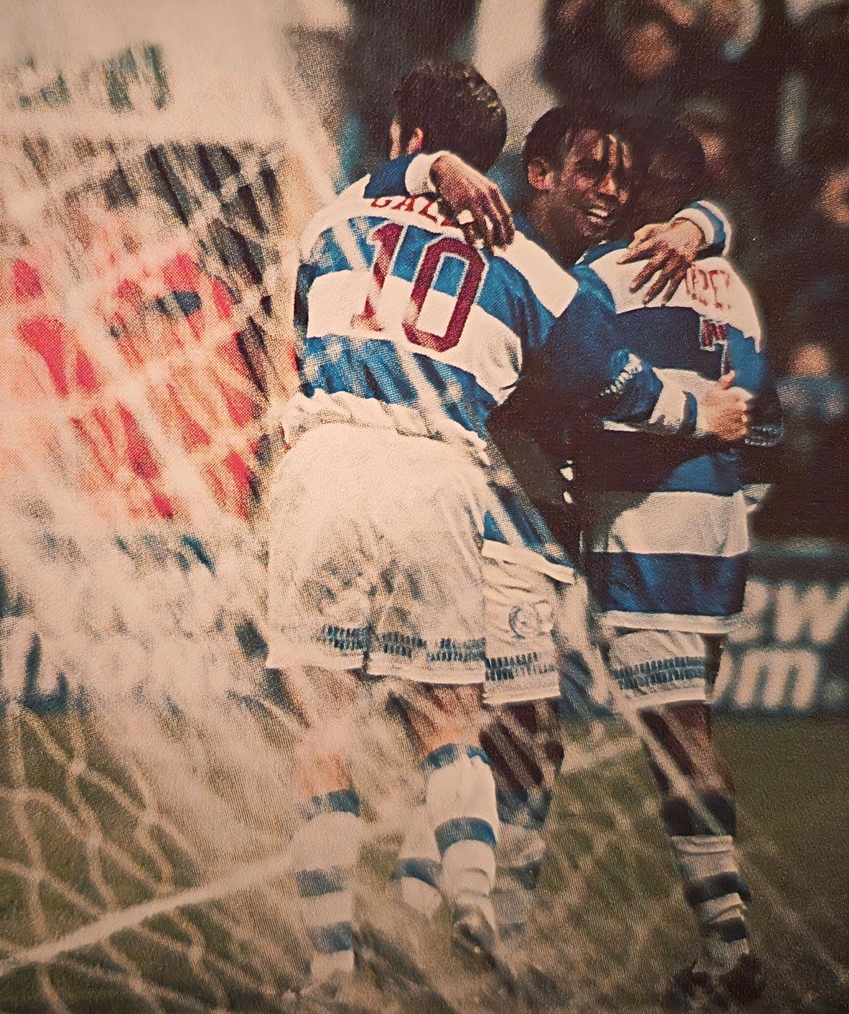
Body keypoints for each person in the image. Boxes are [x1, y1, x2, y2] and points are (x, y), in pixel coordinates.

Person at [265, 67, 750, 998]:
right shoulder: (528, 266)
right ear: (506, 165)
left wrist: (416, 178)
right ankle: (479, 909)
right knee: (454, 726)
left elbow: (301, 333)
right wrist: (703, 413)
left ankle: (328, 964)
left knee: (322, 727)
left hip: (324, 458)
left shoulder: (336, 216)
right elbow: (622, 387)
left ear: (408, 133)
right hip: (443, 478)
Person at [566, 121, 779, 1008]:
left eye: (623, 181)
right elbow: (764, 420)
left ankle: (729, 950)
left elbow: (592, 396)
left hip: (647, 522)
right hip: (722, 520)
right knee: (691, 722)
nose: (609, 195)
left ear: (655, 194)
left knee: (675, 734)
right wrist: (738, 506)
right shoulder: (735, 283)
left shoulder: (606, 277)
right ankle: (721, 944)